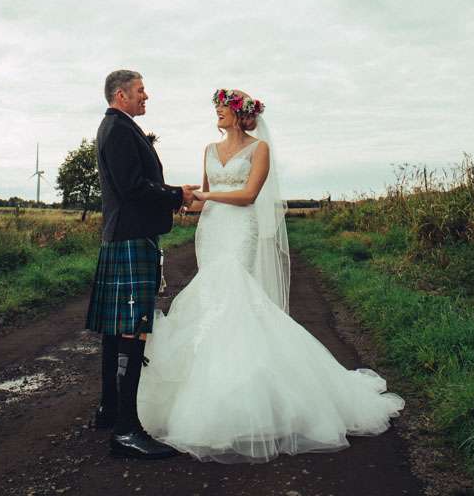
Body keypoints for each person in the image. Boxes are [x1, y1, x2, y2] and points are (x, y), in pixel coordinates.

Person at [137, 88, 405, 462]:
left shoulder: (258, 149)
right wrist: (178, 198)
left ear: (239, 113)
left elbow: (248, 195)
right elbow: (201, 197)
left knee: (235, 294)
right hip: (211, 230)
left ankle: (253, 395)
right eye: (216, 107)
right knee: (211, 296)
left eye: (223, 107)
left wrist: (207, 197)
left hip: (239, 230)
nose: (217, 112)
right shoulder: (209, 150)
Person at [85, 69, 199, 459]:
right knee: (133, 329)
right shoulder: (118, 129)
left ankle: (110, 410)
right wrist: (176, 195)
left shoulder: (117, 127)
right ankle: (126, 431)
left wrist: (173, 193)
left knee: (117, 329)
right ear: (121, 95)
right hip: (131, 237)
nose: (146, 96)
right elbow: (133, 188)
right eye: (140, 90)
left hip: (124, 236)